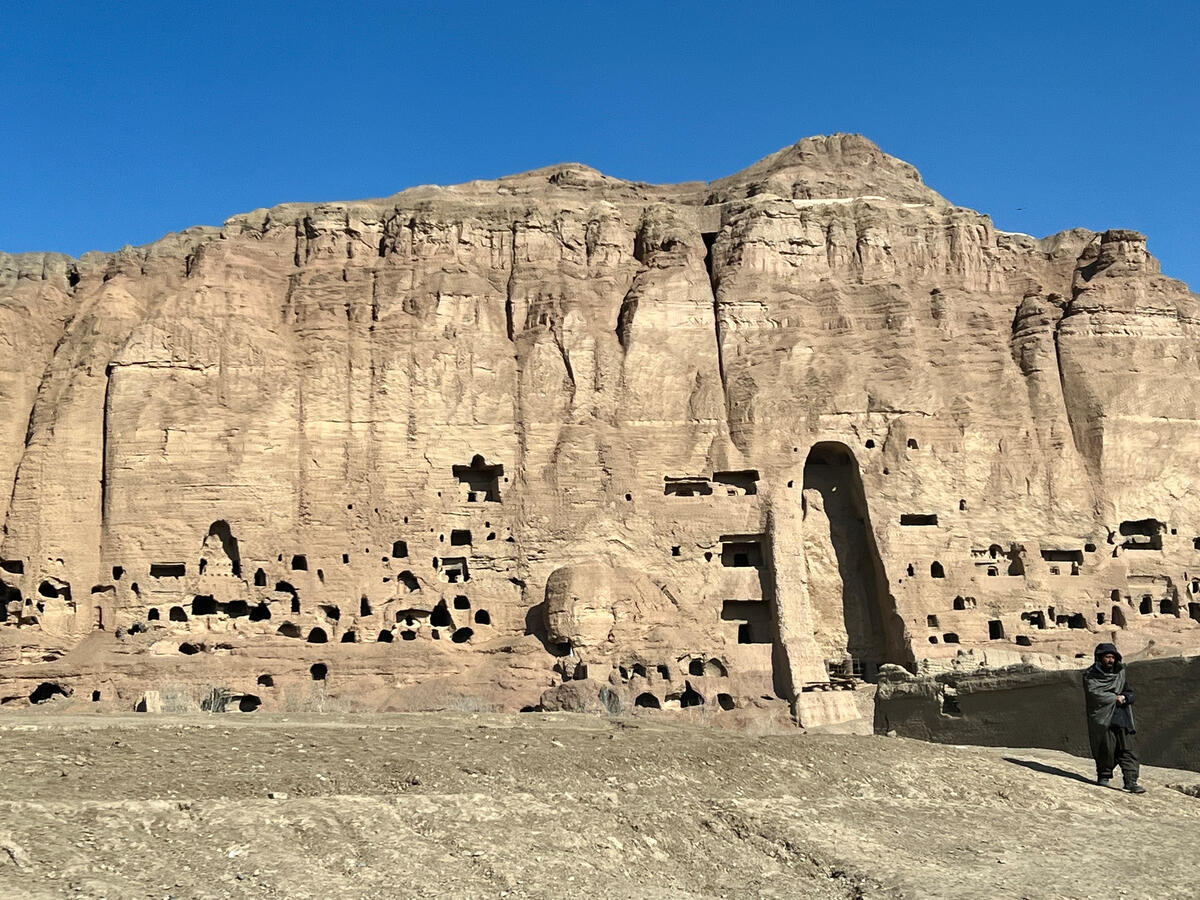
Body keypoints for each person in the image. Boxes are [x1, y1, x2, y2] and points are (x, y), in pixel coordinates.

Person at [1082, 642, 1145, 793]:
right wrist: (1113, 698)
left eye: (1112, 657)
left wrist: (1124, 698)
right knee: (1107, 750)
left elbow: (1130, 693)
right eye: (1107, 657)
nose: (1110, 660)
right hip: (1104, 720)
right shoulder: (1090, 676)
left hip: (1122, 718)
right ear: (1099, 658)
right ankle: (1104, 776)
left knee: (1129, 750)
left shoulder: (1120, 673)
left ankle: (1131, 781)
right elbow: (1095, 694)